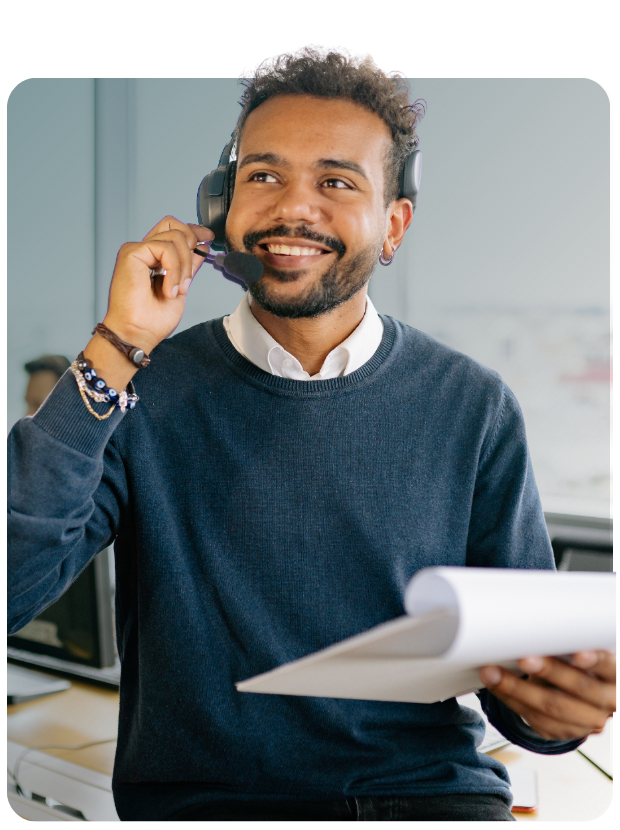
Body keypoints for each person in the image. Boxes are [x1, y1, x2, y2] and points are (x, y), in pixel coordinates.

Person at [7, 46, 617, 823]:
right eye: (264, 176)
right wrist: (118, 343)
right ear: (220, 204)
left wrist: (556, 712)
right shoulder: (143, 389)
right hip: (216, 810)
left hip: (430, 802)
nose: (294, 208)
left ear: (393, 224)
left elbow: (524, 693)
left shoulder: (473, 405)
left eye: (336, 181)